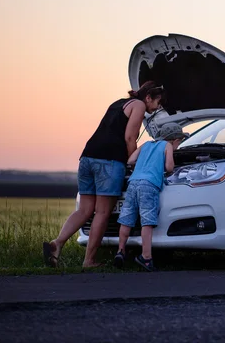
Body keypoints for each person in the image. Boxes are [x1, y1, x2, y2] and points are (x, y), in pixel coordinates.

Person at [43, 81, 164, 268]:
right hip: (109, 162)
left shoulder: (118, 103)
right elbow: (130, 138)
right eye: (157, 102)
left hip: (87, 157)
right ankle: (89, 260)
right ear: (148, 97)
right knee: (102, 211)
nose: (157, 107)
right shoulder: (139, 105)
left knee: (84, 210)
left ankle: (57, 243)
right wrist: (135, 163)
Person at [112, 123, 186, 272]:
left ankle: (120, 251)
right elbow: (170, 167)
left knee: (126, 219)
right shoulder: (167, 146)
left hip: (133, 182)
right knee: (147, 221)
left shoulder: (146, 144)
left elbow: (131, 160)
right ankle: (146, 258)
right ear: (175, 139)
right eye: (180, 141)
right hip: (149, 184)